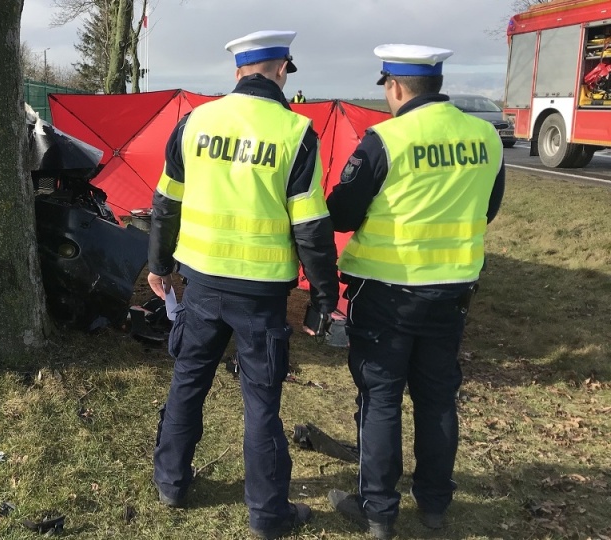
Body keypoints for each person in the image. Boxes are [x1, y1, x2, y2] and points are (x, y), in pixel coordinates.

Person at [147, 30, 340, 540]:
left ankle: (170, 482)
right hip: (261, 294)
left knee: (188, 382)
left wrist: (157, 263)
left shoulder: (194, 122)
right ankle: (267, 514)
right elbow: (312, 229)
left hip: (200, 283)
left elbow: (166, 201)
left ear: (238, 71)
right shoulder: (296, 132)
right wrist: (325, 294)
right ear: (280, 70)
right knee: (261, 403)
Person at [325, 44, 506, 540]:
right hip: (451, 293)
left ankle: (378, 511)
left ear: (396, 86)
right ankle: (434, 505)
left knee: (380, 399)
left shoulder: (385, 140)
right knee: (437, 398)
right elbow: (488, 208)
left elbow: (341, 215)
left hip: (387, 295)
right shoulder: (485, 136)